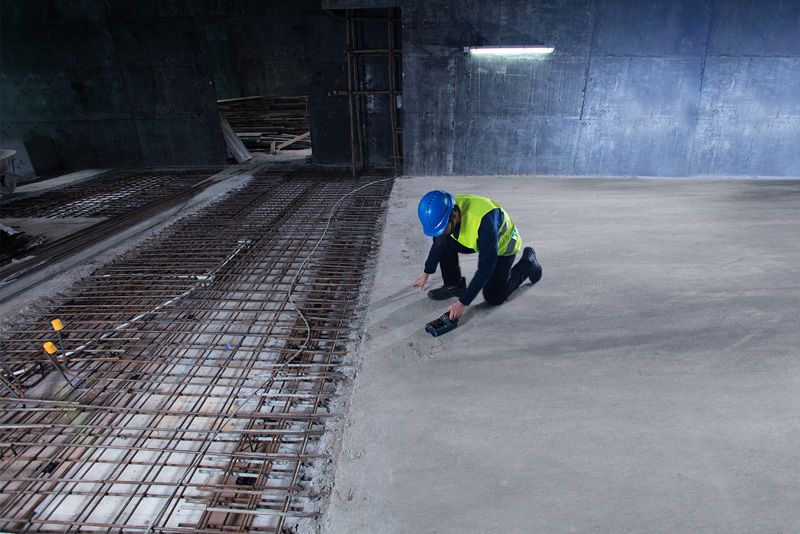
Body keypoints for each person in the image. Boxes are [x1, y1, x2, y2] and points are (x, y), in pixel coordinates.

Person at [411, 190, 542, 320]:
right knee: (442, 240)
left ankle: (528, 263)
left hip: (504, 246)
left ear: (454, 214)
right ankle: (454, 285)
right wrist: (426, 273)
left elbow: (485, 268)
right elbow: (438, 242)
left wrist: (463, 302)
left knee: (494, 297)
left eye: (443, 228)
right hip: (478, 240)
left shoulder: (484, 222)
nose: (440, 232)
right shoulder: (447, 209)